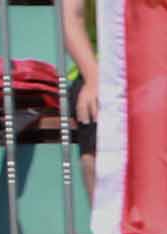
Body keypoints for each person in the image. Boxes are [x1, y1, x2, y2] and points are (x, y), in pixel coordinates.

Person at [60, 0, 99, 205]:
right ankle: (104, 219)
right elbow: (71, 18)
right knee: (95, 110)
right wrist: (93, 79)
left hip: (161, 68)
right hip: (99, 69)